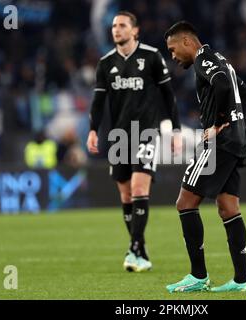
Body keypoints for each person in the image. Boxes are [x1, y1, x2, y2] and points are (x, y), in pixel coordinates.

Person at [86, 11, 182, 272]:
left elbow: (168, 95)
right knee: (126, 195)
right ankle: (139, 246)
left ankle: (134, 249)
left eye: (122, 25)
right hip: (118, 136)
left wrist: (175, 130)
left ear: (135, 31)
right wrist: (93, 129)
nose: (116, 29)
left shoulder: (151, 57)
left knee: (140, 189)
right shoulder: (106, 63)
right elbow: (98, 101)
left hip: (145, 131)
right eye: (114, 26)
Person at [164, 21, 246, 292]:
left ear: (187, 42)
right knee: (228, 207)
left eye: (172, 49)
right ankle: (241, 280)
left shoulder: (204, 59)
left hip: (220, 142)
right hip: (236, 139)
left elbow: (224, 85)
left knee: (184, 203)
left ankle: (198, 276)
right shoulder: (222, 59)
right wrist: (236, 121)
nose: (172, 56)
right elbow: (245, 93)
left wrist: (217, 122)